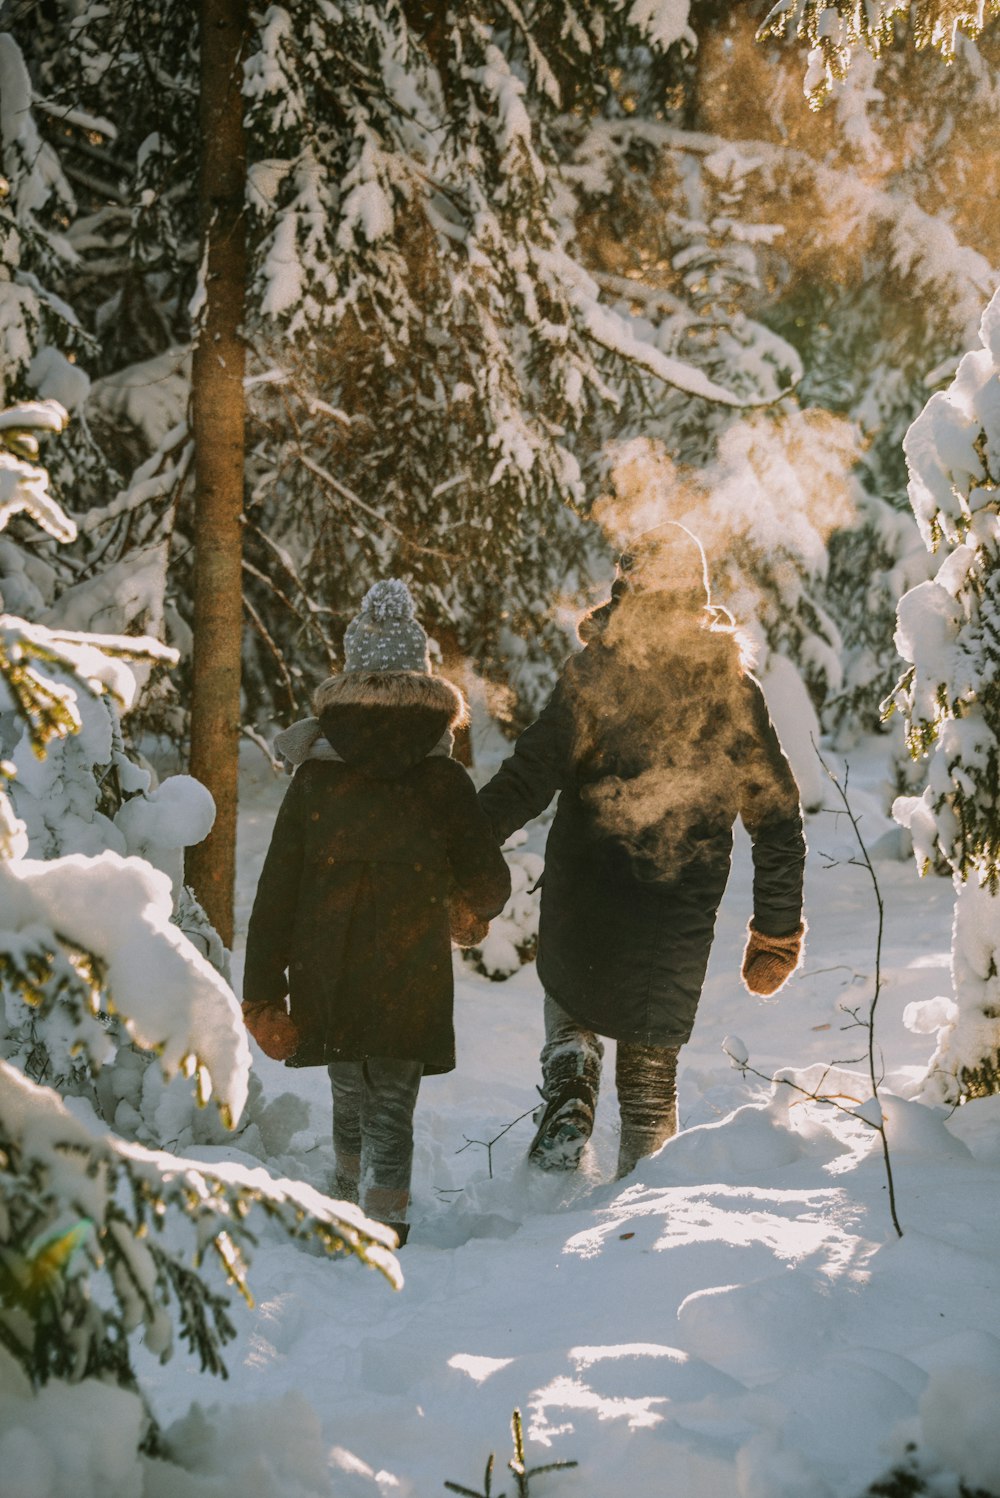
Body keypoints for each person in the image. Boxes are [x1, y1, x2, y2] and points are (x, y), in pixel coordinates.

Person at [477, 522, 806, 1179]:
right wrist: (774, 931)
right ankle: (641, 1213)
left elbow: (528, 776)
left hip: (584, 883)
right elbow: (776, 819)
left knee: (570, 1002)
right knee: (651, 1078)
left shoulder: (593, 675)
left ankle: (569, 1077)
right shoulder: (732, 690)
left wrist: (461, 844)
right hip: (675, 908)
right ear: (698, 596)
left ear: (625, 590)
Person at [242, 579, 511, 1244]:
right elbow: (489, 882)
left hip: (323, 967)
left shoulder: (314, 779)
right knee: (391, 1098)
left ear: (352, 678)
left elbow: (276, 891)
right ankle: (385, 1222)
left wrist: (261, 994)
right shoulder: (443, 780)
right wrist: (464, 908)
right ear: (424, 688)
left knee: (349, 1091)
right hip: (408, 969)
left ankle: (342, 1202)